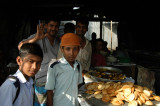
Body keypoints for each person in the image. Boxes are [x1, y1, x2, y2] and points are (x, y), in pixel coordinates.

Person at [18, 18, 61, 106]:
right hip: (41, 82)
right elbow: (20, 47)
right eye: (51, 26)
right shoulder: (38, 37)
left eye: (56, 26)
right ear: (46, 26)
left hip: (55, 81)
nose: (53, 28)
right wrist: (36, 38)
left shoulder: (58, 42)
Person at [45, 33, 83, 106]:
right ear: (62, 49)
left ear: (78, 49)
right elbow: (49, 90)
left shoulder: (78, 65)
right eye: (68, 49)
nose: (71, 53)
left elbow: (78, 85)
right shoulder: (54, 67)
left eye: (75, 49)